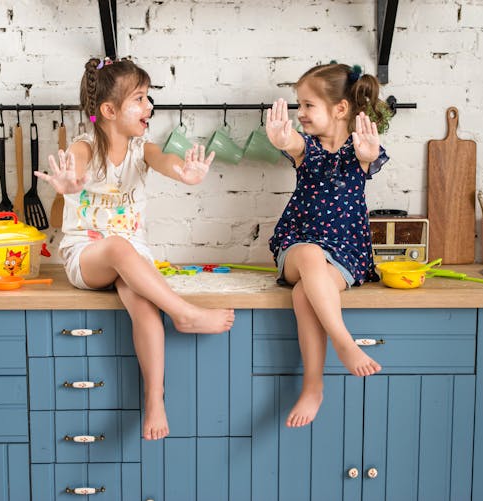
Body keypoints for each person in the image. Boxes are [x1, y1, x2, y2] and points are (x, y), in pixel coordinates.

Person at [35, 57, 235, 440]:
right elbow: (74, 169)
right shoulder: (85, 148)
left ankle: (155, 399)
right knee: (118, 247)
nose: (149, 108)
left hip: (130, 258)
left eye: (148, 98)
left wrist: (184, 172)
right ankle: (185, 313)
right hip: (88, 256)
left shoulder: (142, 149)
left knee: (144, 305)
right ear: (109, 111)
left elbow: (165, 161)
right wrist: (70, 184)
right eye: (140, 99)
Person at [265, 63, 390, 428]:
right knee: (309, 254)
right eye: (298, 105)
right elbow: (293, 143)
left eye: (308, 105)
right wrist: (281, 139)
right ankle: (343, 341)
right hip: (297, 246)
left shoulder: (358, 149)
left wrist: (367, 155)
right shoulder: (309, 148)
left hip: (345, 253)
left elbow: (368, 159)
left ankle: (313, 386)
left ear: (340, 109)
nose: (299, 113)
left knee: (306, 293)